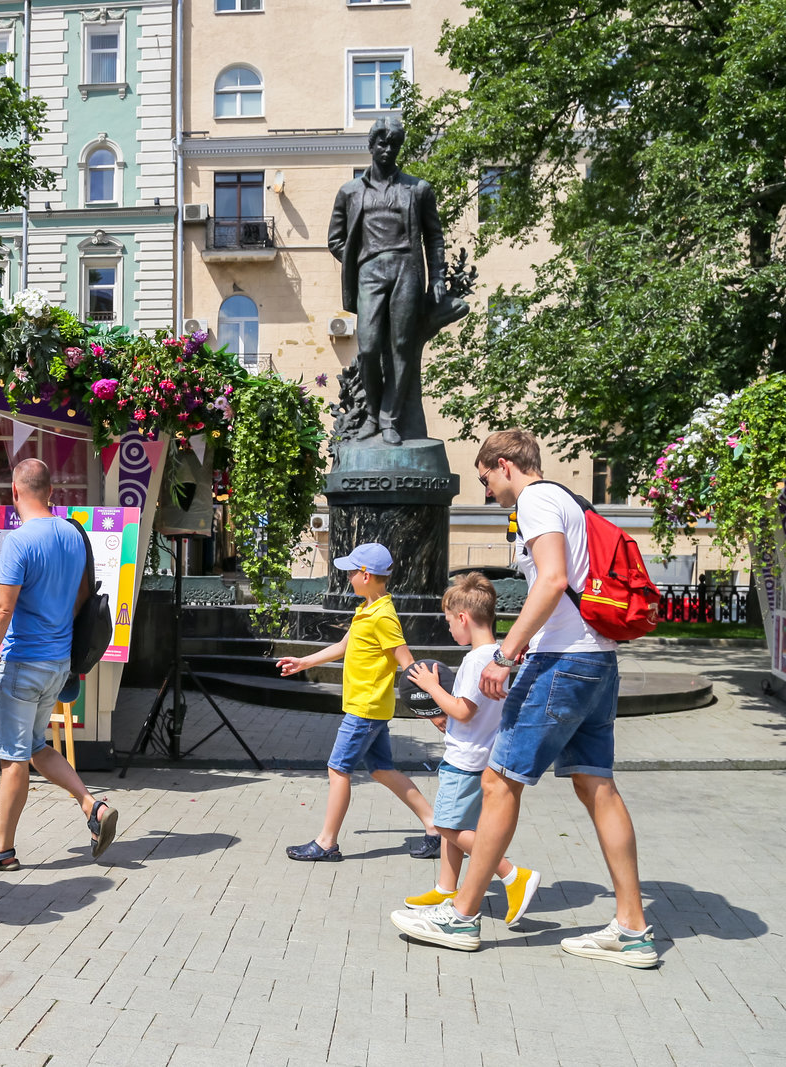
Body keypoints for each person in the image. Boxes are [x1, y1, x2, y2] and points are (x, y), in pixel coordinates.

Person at [390, 430, 655, 967]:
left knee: (498, 781)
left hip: (564, 662)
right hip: (598, 660)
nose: (486, 490)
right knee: (597, 786)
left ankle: (461, 917)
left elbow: (553, 580)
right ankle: (632, 928)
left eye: (485, 477)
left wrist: (506, 655)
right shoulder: (569, 502)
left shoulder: (535, 500)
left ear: (505, 465)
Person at [0, 458, 119, 872]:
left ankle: (1, 848)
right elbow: (83, 601)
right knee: (35, 746)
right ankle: (91, 805)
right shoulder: (73, 535)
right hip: (58, 664)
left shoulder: (19, 541)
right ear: (50, 492)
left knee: (12, 756)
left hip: (22, 663)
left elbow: (1, 609)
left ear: (14, 492)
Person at [277, 542, 439, 861]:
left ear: (366, 575)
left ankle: (326, 843)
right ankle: (436, 827)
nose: (348, 576)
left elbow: (407, 662)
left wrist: (433, 707)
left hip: (365, 709)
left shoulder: (382, 616)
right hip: (369, 708)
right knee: (381, 770)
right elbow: (342, 646)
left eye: (351, 571)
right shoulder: (367, 609)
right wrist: (303, 662)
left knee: (338, 769)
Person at [396, 574, 540, 926]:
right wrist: (454, 717)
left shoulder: (477, 660)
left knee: (445, 825)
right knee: (459, 822)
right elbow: (478, 711)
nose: (448, 629)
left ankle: (511, 874)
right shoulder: (500, 656)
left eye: (448, 621)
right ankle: (447, 888)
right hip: (484, 753)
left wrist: (432, 688)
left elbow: (463, 709)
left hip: (464, 758)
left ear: (463, 617)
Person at [327, 116, 457, 445]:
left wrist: (437, 275)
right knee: (369, 348)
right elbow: (336, 239)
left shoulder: (418, 189)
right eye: (381, 142)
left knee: (401, 348)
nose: (387, 149)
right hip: (370, 271)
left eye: (394, 143)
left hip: (406, 270)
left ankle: (390, 419)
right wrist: (358, 263)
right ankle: (370, 415)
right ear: (371, 146)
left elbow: (434, 238)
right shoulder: (350, 192)